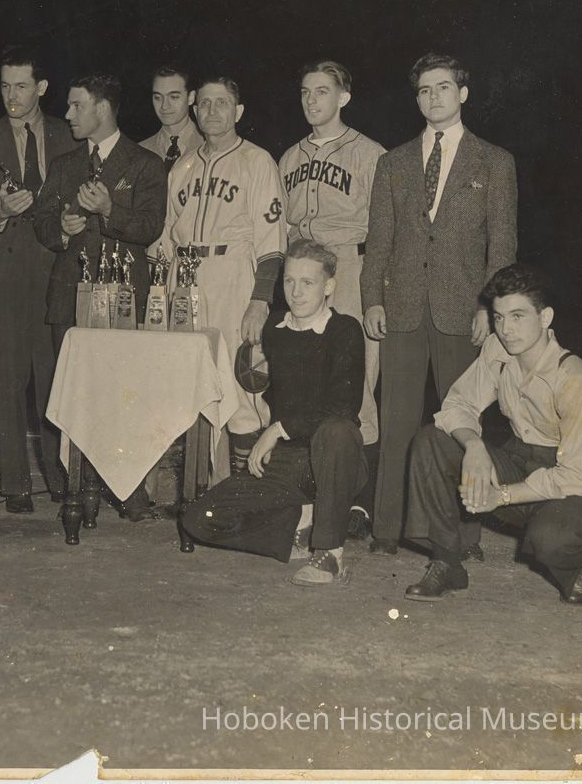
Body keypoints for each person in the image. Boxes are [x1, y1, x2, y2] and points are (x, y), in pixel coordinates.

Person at [361, 53, 517, 555]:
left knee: (461, 420)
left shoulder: (494, 161)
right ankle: (388, 529)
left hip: (463, 311)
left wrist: (487, 310)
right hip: (402, 306)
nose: (434, 97)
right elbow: (378, 242)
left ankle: (462, 534)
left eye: (443, 87)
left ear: (463, 93)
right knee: (398, 421)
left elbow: (503, 248)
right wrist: (372, 300)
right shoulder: (394, 162)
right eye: (425, 90)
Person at [403, 265, 582, 605]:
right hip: (523, 463)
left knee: (550, 540)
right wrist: (473, 445)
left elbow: (577, 475)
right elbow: (457, 404)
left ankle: (577, 561)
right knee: (432, 440)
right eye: (499, 317)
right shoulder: (497, 351)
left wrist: (500, 496)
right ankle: (447, 563)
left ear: (545, 317)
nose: (506, 329)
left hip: (581, 486)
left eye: (518, 316)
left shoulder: (576, 379)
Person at [181, 240, 367, 586]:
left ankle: (329, 554)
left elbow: (343, 406)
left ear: (329, 287)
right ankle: (297, 528)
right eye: (289, 281)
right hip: (287, 464)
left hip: (335, 459)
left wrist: (277, 430)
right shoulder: (275, 330)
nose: (296, 292)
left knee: (337, 429)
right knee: (197, 519)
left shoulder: (345, 331)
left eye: (307, 283)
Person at [33, 72, 167, 519]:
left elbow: (150, 227)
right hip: (69, 296)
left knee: (124, 396)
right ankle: (76, 487)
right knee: (73, 396)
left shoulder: (146, 165)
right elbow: (42, 224)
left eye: (76, 106)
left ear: (102, 109)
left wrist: (109, 209)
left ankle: (125, 486)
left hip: (125, 298)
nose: (68, 114)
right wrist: (62, 231)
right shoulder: (65, 166)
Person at [152, 74, 287, 478]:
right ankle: (206, 488)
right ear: (195, 110)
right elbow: (164, 236)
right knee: (190, 384)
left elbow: (272, 242)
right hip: (185, 276)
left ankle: (250, 490)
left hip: (233, 275)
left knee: (241, 385)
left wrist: (260, 300)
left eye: (221, 103)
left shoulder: (257, 161)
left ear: (238, 111)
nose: (212, 111)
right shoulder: (183, 166)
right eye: (205, 104)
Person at [278, 60, 386, 536]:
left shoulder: (370, 153)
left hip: (349, 263)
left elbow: (384, 228)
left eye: (322, 91)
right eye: (305, 91)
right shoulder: (288, 157)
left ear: (343, 97)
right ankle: (311, 492)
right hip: (302, 267)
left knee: (357, 381)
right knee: (305, 376)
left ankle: (360, 503)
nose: (311, 100)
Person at [0, 48, 74, 512]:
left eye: (22, 86)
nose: (12, 96)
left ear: (42, 88)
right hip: (4, 271)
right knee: (7, 376)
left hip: (55, 267)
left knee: (55, 375)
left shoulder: (70, 134)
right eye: (5, 86)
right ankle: (15, 485)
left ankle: (59, 477)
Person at [140, 66, 201, 171]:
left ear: (191, 97)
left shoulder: (208, 145)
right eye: (158, 98)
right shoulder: (140, 152)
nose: (164, 106)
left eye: (173, 97)